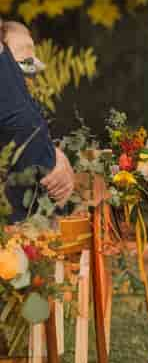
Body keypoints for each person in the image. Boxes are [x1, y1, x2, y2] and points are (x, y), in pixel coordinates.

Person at [0, 18, 75, 220]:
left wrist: (58, 157)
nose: (29, 70)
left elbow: (33, 134)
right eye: (21, 56)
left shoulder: (32, 105)